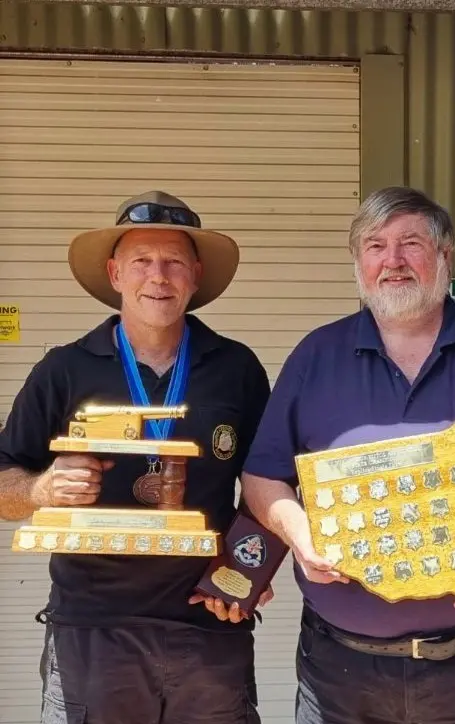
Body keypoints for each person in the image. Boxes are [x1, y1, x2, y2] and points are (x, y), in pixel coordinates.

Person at [239, 186, 455, 724]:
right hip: (342, 676)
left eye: (410, 243)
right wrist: (301, 539)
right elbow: (263, 477)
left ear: (445, 255)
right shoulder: (316, 355)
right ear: (358, 262)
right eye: (375, 246)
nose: (392, 261)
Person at [0, 191, 274, 723]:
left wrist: (247, 571)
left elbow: (269, 483)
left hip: (208, 622)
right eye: (142, 262)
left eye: (174, 262)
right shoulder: (63, 370)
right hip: (92, 630)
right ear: (115, 273)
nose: (159, 276)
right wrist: (40, 490)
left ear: (195, 275)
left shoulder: (236, 368)